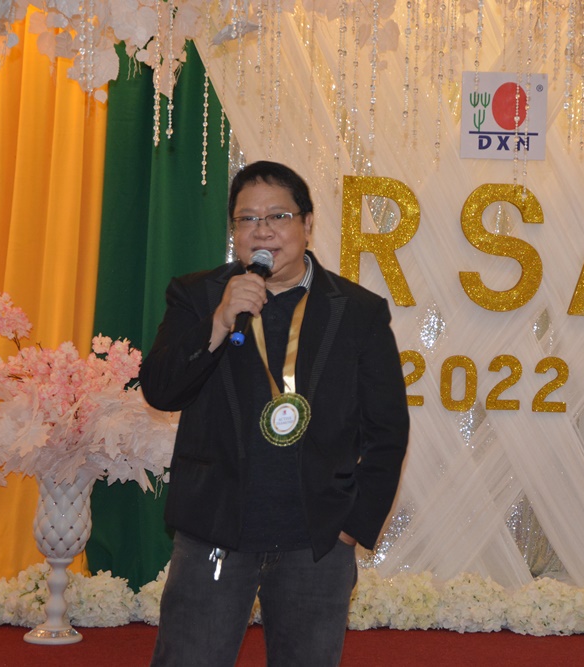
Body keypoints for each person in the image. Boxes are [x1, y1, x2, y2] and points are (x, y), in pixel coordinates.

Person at [140, 161, 410, 666]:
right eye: (247, 219)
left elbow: (387, 430)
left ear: (307, 224)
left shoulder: (358, 311)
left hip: (316, 540)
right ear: (234, 232)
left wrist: (350, 528)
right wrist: (219, 321)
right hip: (215, 530)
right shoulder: (198, 296)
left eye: (278, 216)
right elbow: (160, 390)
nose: (261, 230)